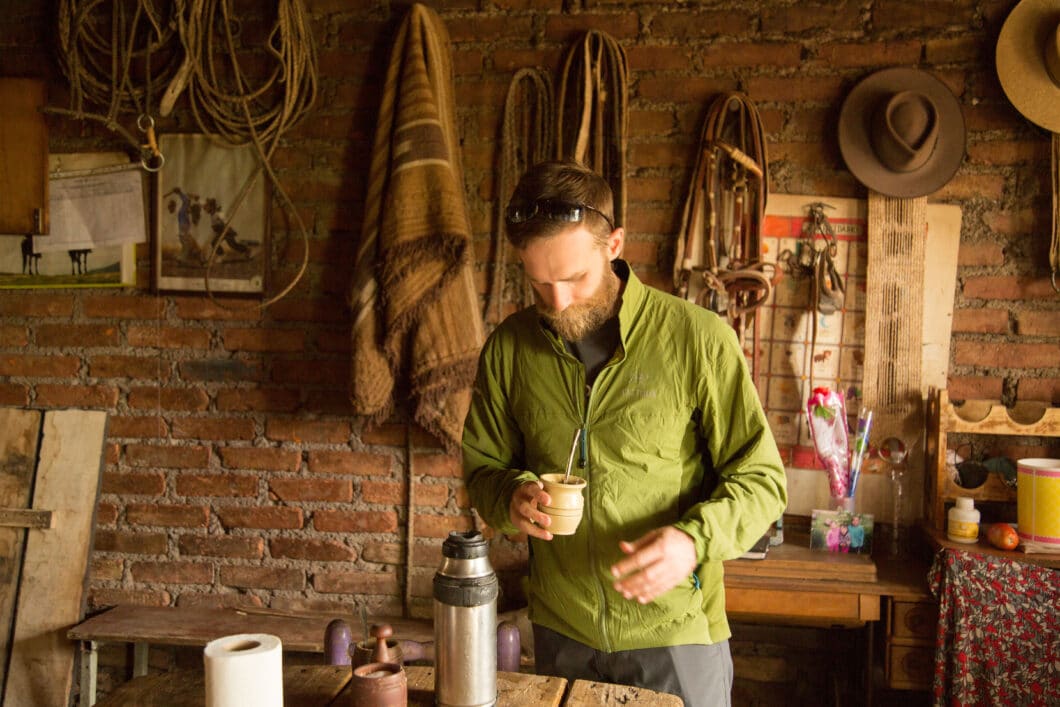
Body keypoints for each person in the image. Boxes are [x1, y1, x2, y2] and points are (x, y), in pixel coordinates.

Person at [462, 160, 787, 706]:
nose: (558, 302)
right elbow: (482, 467)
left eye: (574, 279)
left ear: (613, 244)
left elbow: (762, 481)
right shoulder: (509, 347)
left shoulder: (697, 339)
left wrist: (692, 541)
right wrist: (511, 498)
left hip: (676, 634)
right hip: (562, 631)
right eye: (539, 283)